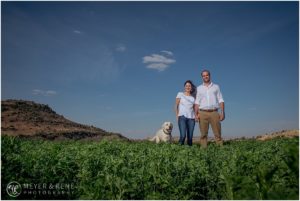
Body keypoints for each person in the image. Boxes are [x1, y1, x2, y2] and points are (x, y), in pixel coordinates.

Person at [194, 70, 225, 148]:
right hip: (202, 113)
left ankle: (220, 150)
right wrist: (196, 114)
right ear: (202, 77)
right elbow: (197, 102)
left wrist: (222, 112)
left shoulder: (216, 87)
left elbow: (220, 99)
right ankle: (204, 151)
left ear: (210, 76)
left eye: (207, 75)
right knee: (203, 134)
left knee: (218, 133)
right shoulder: (199, 88)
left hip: (214, 112)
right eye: (203, 76)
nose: (205, 77)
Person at [175, 80, 197, 146]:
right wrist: (177, 116)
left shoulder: (193, 97)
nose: (188, 87)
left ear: (191, 87)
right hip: (182, 117)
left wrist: (196, 116)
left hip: (191, 118)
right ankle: (178, 149)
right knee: (183, 136)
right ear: (184, 87)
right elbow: (176, 106)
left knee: (190, 138)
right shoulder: (180, 94)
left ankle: (189, 152)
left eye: (189, 86)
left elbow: (194, 108)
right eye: (186, 86)